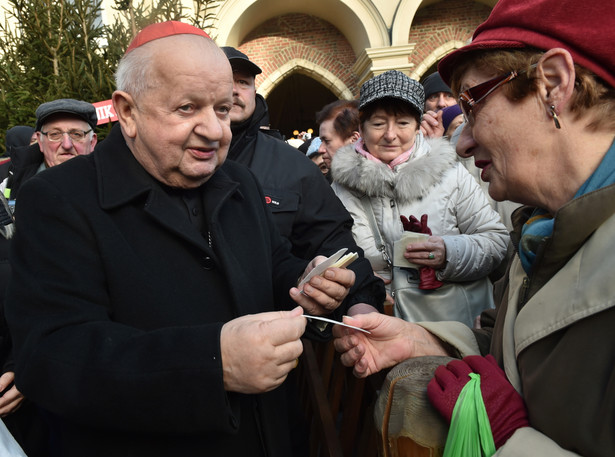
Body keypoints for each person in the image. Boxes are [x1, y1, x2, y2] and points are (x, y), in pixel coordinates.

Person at [5, 21, 357, 457]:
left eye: (224, 109)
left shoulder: (240, 182)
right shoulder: (58, 199)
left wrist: (306, 285)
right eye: (188, 108)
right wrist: (213, 363)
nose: (214, 131)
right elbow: (53, 357)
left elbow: (271, 266)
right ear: (128, 113)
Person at [333, 0, 615, 454]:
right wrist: (429, 339)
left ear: (553, 85)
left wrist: (509, 436)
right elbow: (527, 353)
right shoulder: (544, 229)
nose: (461, 142)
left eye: (473, 102)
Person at [330, 69, 508, 325]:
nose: (390, 135)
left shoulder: (450, 174)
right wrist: (362, 283)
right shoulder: (341, 189)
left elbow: (496, 241)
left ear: (417, 127)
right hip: (382, 324)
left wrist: (449, 252)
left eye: (402, 123)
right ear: (361, 127)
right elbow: (335, 257)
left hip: (455, 321)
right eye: (378, 123)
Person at [221, 46, 385, 319]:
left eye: (243, 82)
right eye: (227, 81)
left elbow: (334, 242)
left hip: (275, 328)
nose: (236, 90)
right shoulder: (178, 159)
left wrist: (361, 301)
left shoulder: (292, 165)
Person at [5, 98, 98, 201]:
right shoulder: (10, 185)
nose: (67, 145)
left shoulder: (113, 182)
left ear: (92, 142)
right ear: (40, 142)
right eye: (55, 134)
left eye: (76, 134)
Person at [315, 99, 360, 170]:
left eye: (327, 141)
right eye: (321, 141)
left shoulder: (375, 179)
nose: (320, 150)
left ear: (354, 139)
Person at [420, 71, 457, 138]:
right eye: (433, 97)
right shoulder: (416, 139)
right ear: (424, 106)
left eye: (449, 96)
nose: (441, 103)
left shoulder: (474, 132)